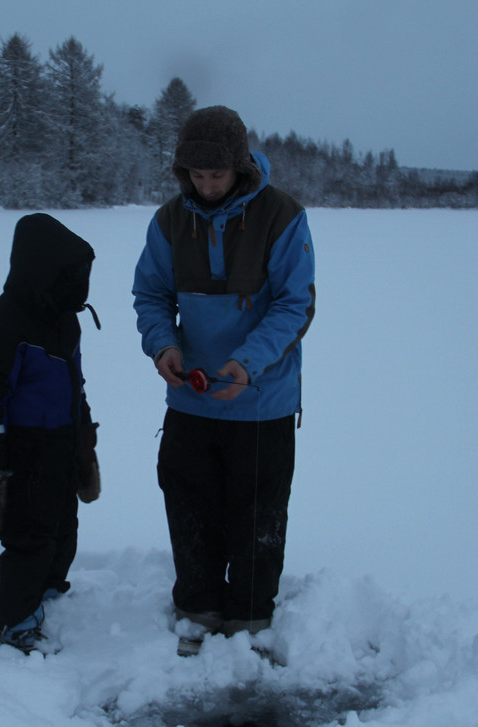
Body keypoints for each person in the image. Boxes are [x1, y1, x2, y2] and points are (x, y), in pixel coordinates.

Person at [132, 106, 316, 655]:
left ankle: (251, 619)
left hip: (262, 399)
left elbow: (294, 304)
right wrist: (163, 345)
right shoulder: (168, 221)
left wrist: (246, 364)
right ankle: (197, 610)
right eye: (196, 175)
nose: (207, 186)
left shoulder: (283, 216)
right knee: (189, 505)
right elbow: (151, 296)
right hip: (191, 398)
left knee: (257, 513)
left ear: (239, 167)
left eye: (218, 174)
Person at [0, 213, 100, 655]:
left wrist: (85, 437)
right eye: (71, 275)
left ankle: (49, 591)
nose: (78, 285)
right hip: (22, 449)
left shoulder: (62, 319)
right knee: (29, 535)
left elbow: (75, 382)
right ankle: (17, 620)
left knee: (63, 524)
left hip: (60, 441)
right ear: (43, 270)